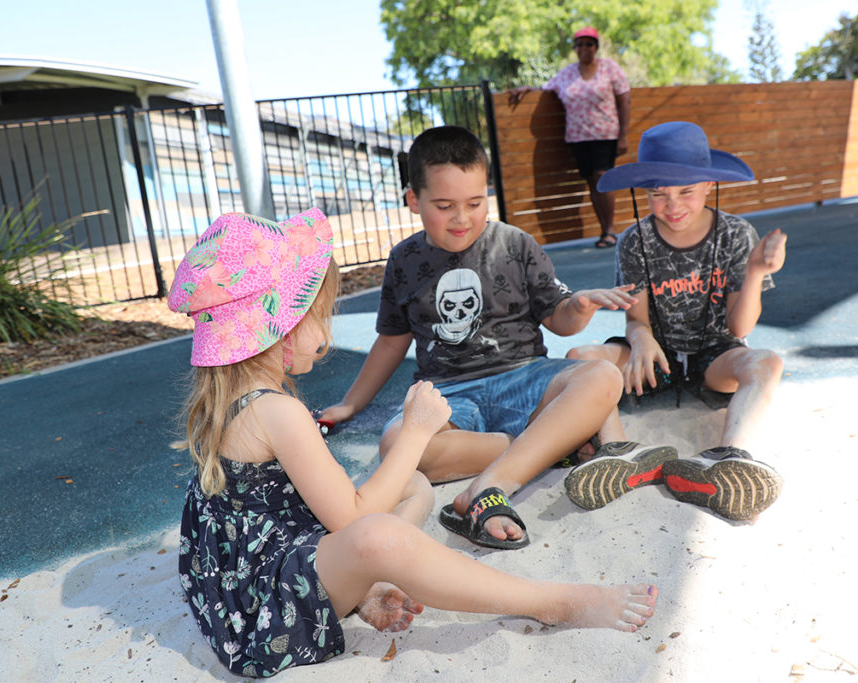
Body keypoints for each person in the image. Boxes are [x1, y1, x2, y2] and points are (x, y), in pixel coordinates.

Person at [167, 210, 659, 677]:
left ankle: (371, 587)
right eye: (317, 313)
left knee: (413, 485)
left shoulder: (232, 399)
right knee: (380, 536)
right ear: (281, 329)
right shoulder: (278, 412)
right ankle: (549, 601)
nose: (326, 327)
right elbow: (354, 520)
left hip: (251, 571)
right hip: (270, 602)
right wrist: (419, 430)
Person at [320, 125, 675, 551]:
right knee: (398, 444)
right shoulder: (404, 260)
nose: (461, 217)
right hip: (449, 393)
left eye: (475, 203)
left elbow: (559, 320)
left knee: (600, 377)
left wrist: (578, 308)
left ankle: (492, 484)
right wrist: (351, 403)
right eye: (444, 205)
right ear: (413, 200)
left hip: (524, 377)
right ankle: (546, 444)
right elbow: (392, 340)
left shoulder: (516, 244)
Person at [564, 121, 787, 522]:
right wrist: (643, 336)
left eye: (686, 191)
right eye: (658, 194)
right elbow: (636, 319)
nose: (673, 205)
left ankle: (727, 457)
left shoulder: (736, 233)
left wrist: (753, 273)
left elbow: (740, 330)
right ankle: (620, 451)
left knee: (767, 363)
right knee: (580, 355)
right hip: (652, 359)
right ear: (644, 192)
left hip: (715, 357)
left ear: (708, 185)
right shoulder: (635, 240)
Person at [508, 26, 631, 249]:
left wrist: (623, 135)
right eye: (580, 44)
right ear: (575, 48)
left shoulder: (609, 68)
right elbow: (545, 89)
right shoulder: (566, 73)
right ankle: (604, 230)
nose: (585, 48)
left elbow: (624, 100)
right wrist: (527, 89)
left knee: (603, 177)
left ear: (596, 47)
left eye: (589, 43)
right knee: (592, 183)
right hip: (577, 137)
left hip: (605, 135)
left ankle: (610, 230)